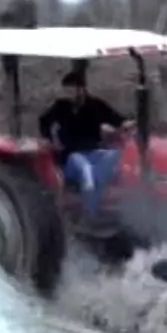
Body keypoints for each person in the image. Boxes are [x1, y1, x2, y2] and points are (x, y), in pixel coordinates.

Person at [38, 72, 134, 224]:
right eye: (66, 91)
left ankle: (99, 198)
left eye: (70, 90)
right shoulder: (61, 106)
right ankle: (90, 215)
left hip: (94, 152)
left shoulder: (96, 105)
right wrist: (51, 140)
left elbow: (118, 119)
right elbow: (43, 121)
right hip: (72, 156)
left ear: (81, 89)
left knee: (115, 156)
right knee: (86, 170)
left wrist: (126, 124)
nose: (67, 94)